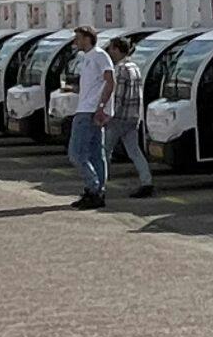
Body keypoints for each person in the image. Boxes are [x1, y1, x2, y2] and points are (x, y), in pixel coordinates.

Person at [66, 26, 114, 209]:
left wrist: (101, 107)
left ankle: (93, 187)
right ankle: (97, 191)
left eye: (78, 38)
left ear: (87, 38)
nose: (75, 42)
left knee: (76, 154)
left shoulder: (99, 56)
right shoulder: (86, 58)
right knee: (95, 154)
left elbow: (110, 82)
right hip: (86, 108)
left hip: (89, 111)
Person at [102, 35, 154, 199]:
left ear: (117, 50)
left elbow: (118, 96)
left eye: (111, 49)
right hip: (133, 116)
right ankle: (147, 182)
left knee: (104, 150)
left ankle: (100, 184)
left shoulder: (120, 69)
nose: (109, 52)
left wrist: (107, 115)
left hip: (119, 117)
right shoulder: (135, 67)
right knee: (134, 151)